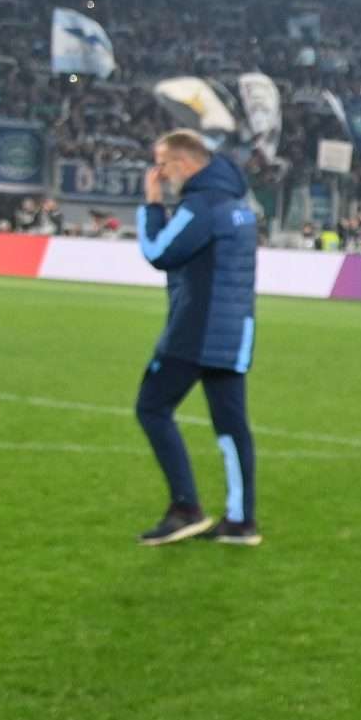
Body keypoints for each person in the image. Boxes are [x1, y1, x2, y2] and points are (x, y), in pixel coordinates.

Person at [131, 130, 261, 547]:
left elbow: (158, 252)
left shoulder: (200, 205)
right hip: (233, 331)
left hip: (195, 332)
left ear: (185, 164)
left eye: (163, 165)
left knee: (152, 407)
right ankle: (241, 521)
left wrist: (152, 204)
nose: (160, 174)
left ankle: (185, 507)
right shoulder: (238, 205)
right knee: (231, 426)